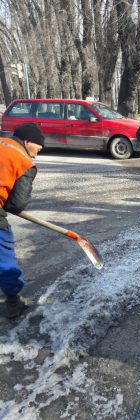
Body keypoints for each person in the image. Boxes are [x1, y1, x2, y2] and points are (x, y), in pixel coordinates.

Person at [0, 123, 45, 319]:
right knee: (4, 258)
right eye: (38, 149)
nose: (36, 154)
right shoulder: (24, 161)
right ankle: (13, 302)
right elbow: (16, 205)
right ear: (27, 142)